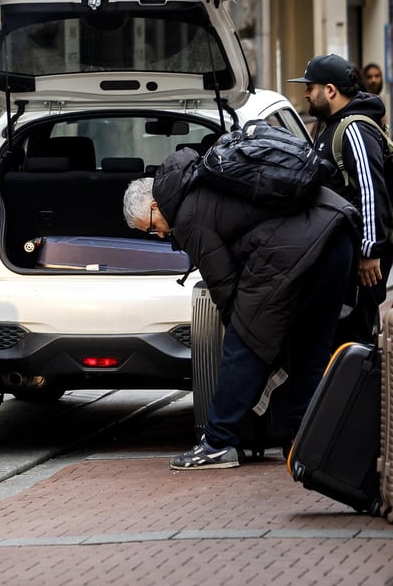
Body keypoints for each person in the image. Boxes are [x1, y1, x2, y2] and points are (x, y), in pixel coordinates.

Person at [122, 148, 359, 470]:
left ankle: (218, 443)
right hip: (336, 233)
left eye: (151, 227)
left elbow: (224, 285)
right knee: (309, 350)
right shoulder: (196, 181)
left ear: (154, 205)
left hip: (301, 248)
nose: (161, 235)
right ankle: (303, 443)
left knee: (243, 345)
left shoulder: (186, 215)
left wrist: (243, 336)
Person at [289, 53, 392, 345]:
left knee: (354, 341)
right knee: (339, 337)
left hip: (363, 262)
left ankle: (359, 392)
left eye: (311, 87)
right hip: (343, 257)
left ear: (330, 90)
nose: (306, 93)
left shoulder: (354, 128)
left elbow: (372, 189)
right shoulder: (331, 126)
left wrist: (370, 252)